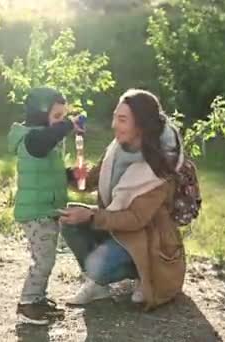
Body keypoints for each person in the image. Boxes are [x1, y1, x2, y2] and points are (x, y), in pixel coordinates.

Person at [58, 88, 186, 310]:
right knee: (68, 220)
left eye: (122, 119)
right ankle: (100, 283)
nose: (114, 124)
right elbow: (88, 182)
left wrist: (91, 216)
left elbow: (135, 218)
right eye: (115, 117)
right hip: (117, 227)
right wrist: (64, 173)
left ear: (141, 125)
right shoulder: (118, 149)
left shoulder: (161, 166)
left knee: (98, 264)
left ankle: (143, 276)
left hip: (149, 241)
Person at [7, 86, 84, 325]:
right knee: (44, 260)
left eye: (63, 116)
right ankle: (28, 303)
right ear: (40, 115)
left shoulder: (45, 143)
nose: (60, 122)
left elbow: (49, 174)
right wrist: (69, 125)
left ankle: (38, 298)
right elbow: (44, 141)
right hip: (35, 213)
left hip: (44, 210)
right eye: (56, 116)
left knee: (46, 258)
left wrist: (71, 174)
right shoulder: (31, 139)